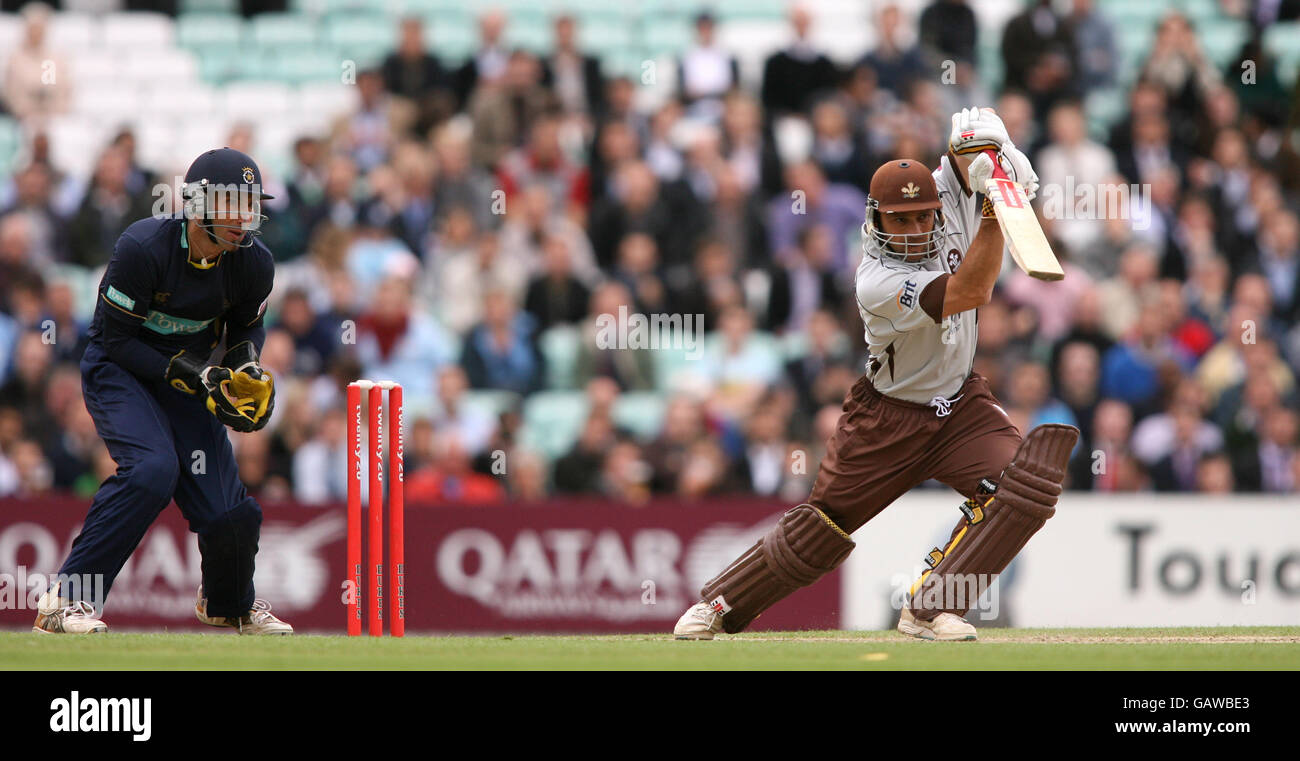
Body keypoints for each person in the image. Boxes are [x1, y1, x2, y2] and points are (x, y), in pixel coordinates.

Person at [674, 108, 1079, 642]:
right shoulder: (877, 280)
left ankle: (933, 608)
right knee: (820, 531)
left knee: (1025, 485)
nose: (914, 230)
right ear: (875, 218)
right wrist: (990, 213)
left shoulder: (947, 193)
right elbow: (971, 293)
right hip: (886, 417)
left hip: (959, 405)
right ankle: (718, 605)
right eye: (900, 220)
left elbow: (984, 168)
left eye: (922, 218)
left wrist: (995, 155)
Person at [33, 148, 292, 636]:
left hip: (186, 378)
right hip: (121, 371)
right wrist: (197, 374)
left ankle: (228, 604)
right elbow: (115, 340)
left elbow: (244, 332)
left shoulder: (254, 263)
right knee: (153, 469)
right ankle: (64, 601)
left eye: (249, 202)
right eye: (231, 203)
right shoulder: (143, 246)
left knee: (228, 511)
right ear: (197, 204)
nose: (244, 216)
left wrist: (245, 368)